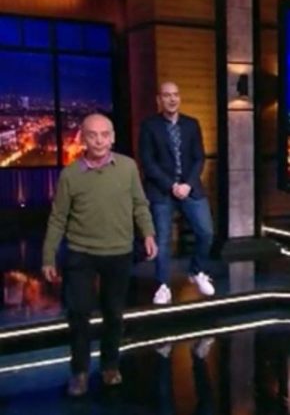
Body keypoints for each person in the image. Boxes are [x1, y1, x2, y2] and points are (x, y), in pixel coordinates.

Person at [42, 113, 158, 397]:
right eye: (93, 135)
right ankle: (80, 373)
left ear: (113, 137)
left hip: (119, 251)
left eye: (105, 134)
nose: (99, 140)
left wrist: (148, 233)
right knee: (79, 314)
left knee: (114, 313)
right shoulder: (70, 175)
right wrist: (48, 256)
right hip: (81, 253)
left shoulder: (128, 167)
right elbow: (58, 218)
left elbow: (139, 204)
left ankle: (110, 366)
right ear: (83, 138)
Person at [139, 81, 215, 305]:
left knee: (206, 232)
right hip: (162, 190)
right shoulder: (149, 126)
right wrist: (171, 185)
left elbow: (199, 158)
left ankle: (197, 271)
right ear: (159, 100)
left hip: (190, 187)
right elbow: (148, 162)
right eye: (167, 95)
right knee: (163, 240)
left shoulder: (192, 124)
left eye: (175, 95)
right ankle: (163, 285)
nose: (172, 99)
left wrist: (188, 185)